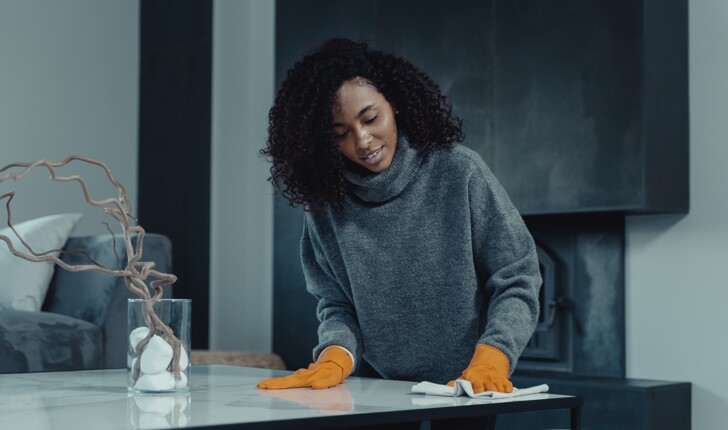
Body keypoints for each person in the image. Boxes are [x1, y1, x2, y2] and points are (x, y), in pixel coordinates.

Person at [257, 38, 542, 429]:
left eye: (370, 118)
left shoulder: (460, 172)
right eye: (340, 133)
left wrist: (494, 356)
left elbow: (517, 277)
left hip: (468, 385)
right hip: (380, 387)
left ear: (395, 103)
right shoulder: (325, 205)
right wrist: (336, 353)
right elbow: (336, 303)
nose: (362, 142)